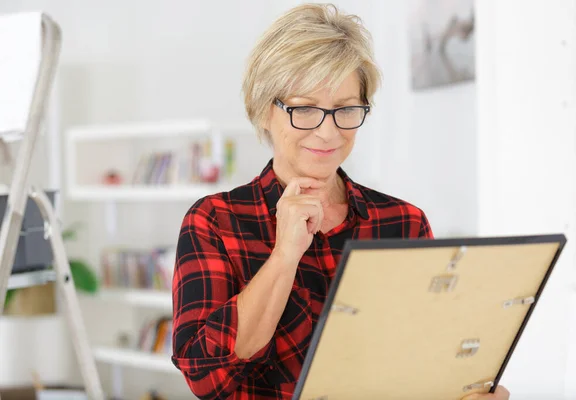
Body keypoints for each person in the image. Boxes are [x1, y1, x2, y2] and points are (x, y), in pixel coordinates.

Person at [171, 4, 510, 400]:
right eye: (305, 109)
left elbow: (422, 362)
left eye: (346, 109)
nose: (329, 131)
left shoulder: (403, 222)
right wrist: (285, 254)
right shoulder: (214, 221)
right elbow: (207, 379)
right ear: (265, 111)